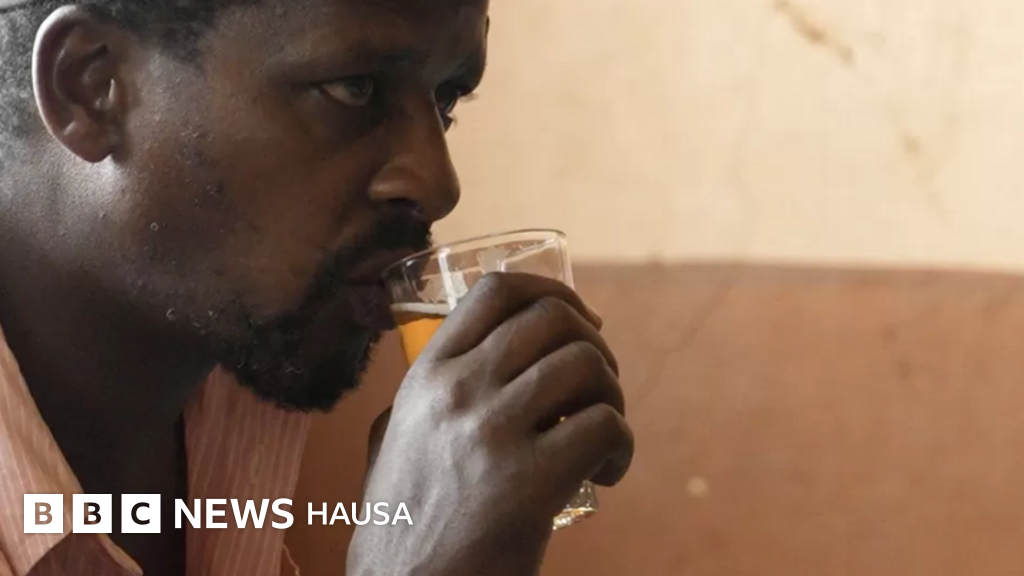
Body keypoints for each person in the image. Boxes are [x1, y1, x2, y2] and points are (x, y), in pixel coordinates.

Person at [0, 0, 634, 574]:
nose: (438, 184)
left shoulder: (246, 377)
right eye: (354, 89)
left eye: (446, 100)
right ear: (89, 86)